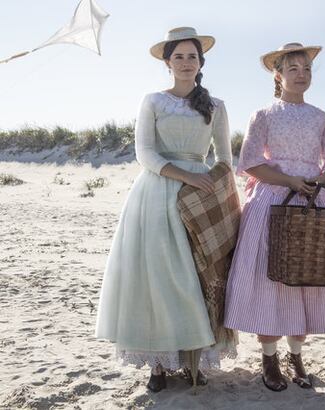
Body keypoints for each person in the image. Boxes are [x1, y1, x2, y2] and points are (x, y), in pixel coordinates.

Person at [95, 27, 233, 392]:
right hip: (156, 194)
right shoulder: (153, 101)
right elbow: (144, 153)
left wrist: (210, 185)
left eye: (192, 56)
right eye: (179, 57)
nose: (186, 63)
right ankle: (157, 364)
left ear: (201, 62)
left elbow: (224, 157)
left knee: (196, 278)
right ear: (167, 62)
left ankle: (192, 360)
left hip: (199, 195)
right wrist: (184, 175)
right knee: (156, 279)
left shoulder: (216, 105)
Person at [224, 43, 325, 392]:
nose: (301, 74)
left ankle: (296, 355)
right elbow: (250, 162)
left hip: (311, 202)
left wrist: (315, 182)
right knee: (270, 278)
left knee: (306, 276)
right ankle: (269, 357)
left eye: (306, 68)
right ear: (278, 75)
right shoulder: (263, 115)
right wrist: (290, 181)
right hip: (273, 199)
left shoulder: (322, 118)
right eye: (293, 68)